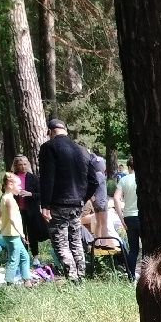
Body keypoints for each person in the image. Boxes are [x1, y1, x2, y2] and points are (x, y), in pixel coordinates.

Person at [38, 118, 98, 281]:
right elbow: (94, 181)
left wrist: (45, 205)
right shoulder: (83, 151)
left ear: (50, 131)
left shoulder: (49, 147)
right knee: (76, 241)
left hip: (58, 204)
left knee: (61, 244)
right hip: (77, 205)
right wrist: (82, 198)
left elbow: (47, 178)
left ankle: (73, 279)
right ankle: (81, 277)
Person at [0, 171, 33, 286]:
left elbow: (0, 214)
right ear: (10, 185)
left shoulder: (5, 197)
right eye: (19, 185)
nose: (20, 187)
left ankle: (27, 281)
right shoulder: (9, 200)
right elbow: (12, 218)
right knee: (14, 258)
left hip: (11, 234)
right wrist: (22, 233)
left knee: (25, 257)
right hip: (12, 234)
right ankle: (9, 283)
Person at [10, 154, 47, 258]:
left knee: (32, 234)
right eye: (20, 164)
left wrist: (29, 194)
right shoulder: (12, 177)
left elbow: (41, 194)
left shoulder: (33, 178)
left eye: (25, 164)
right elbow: (6, 191)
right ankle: (23, 255)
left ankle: (35, 256)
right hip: (17, 211)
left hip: (31, 211)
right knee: (20, 233)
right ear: (16, 165)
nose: (23, 167)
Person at [114, 155, 141, 280]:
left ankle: (131, 276)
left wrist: (121, 217)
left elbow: (116, 198)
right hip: (141, 217)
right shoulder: (142, 179)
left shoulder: (124, 180)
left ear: (129, 167)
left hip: (129, 217)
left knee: (133, 249)